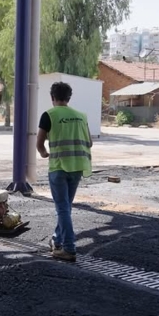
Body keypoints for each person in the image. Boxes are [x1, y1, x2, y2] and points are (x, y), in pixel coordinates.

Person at [36, 81, 93, 262]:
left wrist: (44, 153)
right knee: (66, 208)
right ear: (69, 98)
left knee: (62, 209)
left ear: (52, 98)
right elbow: (90, 142)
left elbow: (39, 143)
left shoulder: (49, 115)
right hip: (77, 167)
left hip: (59, 167)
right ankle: (57, 240)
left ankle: (69, 249)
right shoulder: (81, 116)